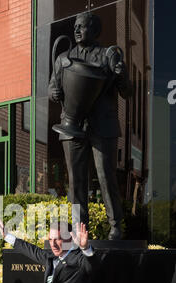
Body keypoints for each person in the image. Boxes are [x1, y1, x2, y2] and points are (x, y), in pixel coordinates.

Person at [48, 12, 132, 240]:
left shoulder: (108, 55)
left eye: (82, 26)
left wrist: (122, 74)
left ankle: (116, 226)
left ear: (94, 30)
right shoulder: (64, 58)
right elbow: (53, 87)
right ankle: (79, 230)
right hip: (72, 125)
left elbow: (127, 92)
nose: (76, 30)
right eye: (75, 26)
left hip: (102, 125)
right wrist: (54, 92)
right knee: (76, 181)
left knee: (106, 176)